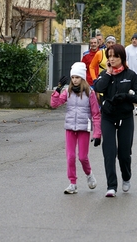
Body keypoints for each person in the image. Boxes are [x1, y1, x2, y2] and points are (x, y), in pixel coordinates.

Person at [94, 44, 137, 197]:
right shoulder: (105, 74)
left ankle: (126, 176)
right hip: (108, 117)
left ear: (122, 57)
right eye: (109, 56)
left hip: (125, 117)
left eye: (115, 56)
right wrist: (108, 73)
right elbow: (99, 88)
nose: (112, 59)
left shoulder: (130, 75)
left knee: (123, 153)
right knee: (109, 152)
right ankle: (111, 186)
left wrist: (127, 97)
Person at [50, 62, 102, 194]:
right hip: (70, 128)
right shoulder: (67, 91)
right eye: (72, 77)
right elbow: (54, 104)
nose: (74, 80)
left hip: (84, 128)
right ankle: (72, 183)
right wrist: (57, 89)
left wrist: (97, 134)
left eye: (77, 77)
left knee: (82, 157)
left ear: (82, 78)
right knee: (70, 156)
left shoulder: (90, 93)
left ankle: (89, 174)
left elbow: (96, 114)